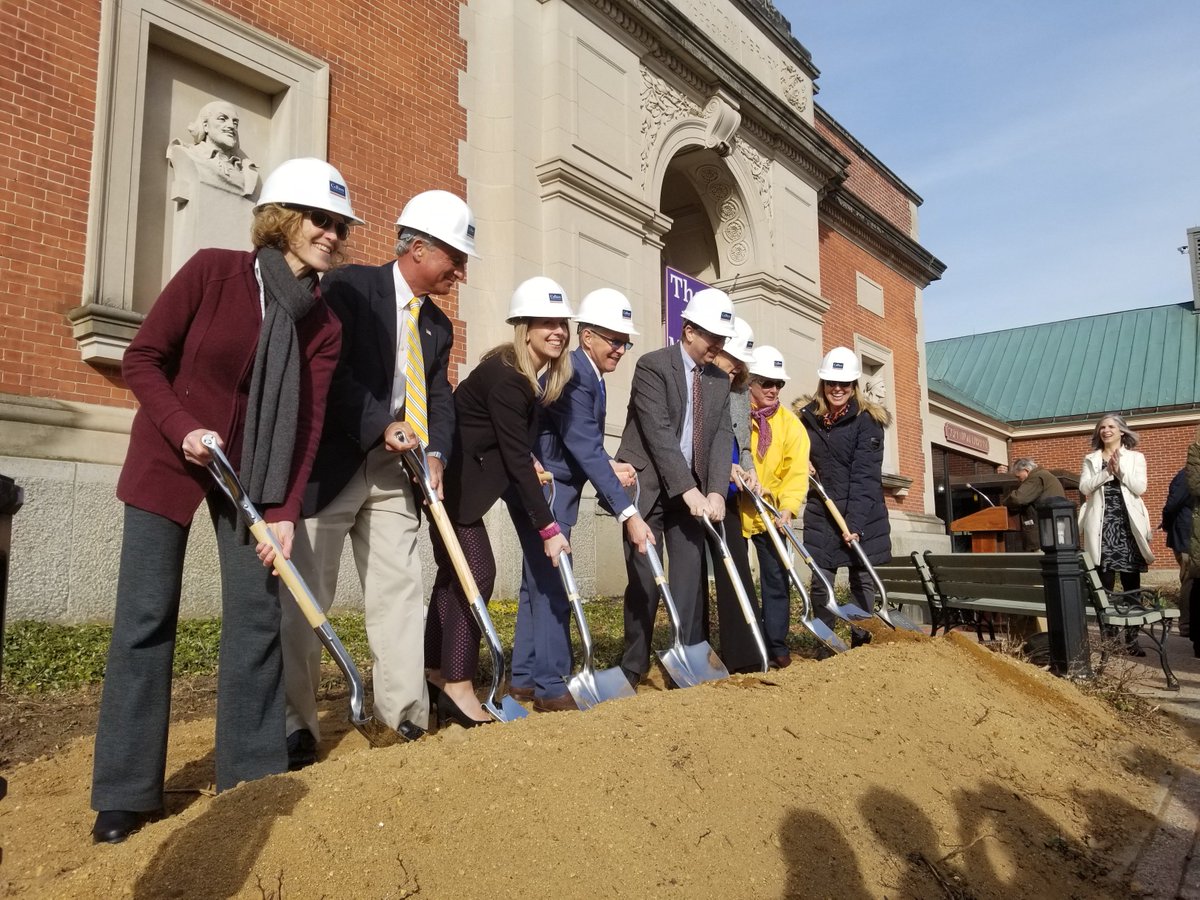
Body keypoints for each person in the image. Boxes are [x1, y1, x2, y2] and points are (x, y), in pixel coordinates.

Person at [89, 157, 353, 843]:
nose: (332, 233)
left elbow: (309, 423)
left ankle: (251, 770)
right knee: (146, 615)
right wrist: (184, 430)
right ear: (283, 220)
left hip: (254, 476)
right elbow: (143, 357)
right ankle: (124, 791)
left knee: (257, 617)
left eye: (339, 225)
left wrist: (287, 509)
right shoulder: (213, 272)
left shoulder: (321, 324)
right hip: (167, 457)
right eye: (320, 220)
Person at [280, 191, 474, 767]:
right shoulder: (348, 289)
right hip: (330, 466)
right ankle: (296, 723)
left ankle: (403, 715)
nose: (460, 272)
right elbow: (327, 374)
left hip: (395, 473)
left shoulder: (436, 325)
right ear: (418, 249)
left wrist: (436, 451)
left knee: (400, 591)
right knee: (307, 596)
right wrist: (379, 424)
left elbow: (439, 395)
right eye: (454, 259)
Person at [425, 277, 573, 725]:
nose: (558, 332)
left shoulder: (518, 373)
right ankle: (458, 683)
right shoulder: (511, 379)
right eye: (547, 323)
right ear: (524, 327)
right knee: (477, 573)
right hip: (451, 482)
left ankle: (433, 670)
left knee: (455, 576)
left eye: (562, 324)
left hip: (460, 481)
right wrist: (549, 529)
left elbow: (504, 439)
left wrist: (526, 455)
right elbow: (511, 456)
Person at [509, 289, 654, 711]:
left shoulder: (589, 374)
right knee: (553, 583)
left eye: (626, 341)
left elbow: (580, 442)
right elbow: (582, 444)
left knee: (536, 582)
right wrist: (627, 511)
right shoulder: (576, 374)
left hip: (553, 487)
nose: (621, 349)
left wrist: (609, 463)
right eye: (614, 339)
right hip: (550, 491)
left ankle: (525, 678)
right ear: (587, 336)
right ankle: (552, 687)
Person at [616, 287, 737, 686]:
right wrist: (690, 490)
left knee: (689, 577)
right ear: (688, 331)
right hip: (648, 486)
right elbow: (659, 434)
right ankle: (633, 664)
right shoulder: (653, 367)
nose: (717, 348)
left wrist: (717, 490)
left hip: (694, 494)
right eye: (711, 339)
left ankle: (685, 661)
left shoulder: (718, 380)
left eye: (722, 340)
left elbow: (721, 435)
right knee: (645, 580)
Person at [795, 347, 890, 644]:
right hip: (822, 512)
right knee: (822, 584)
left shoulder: (867, 421)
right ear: (822, 384)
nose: (837, 389)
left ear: (854, 386)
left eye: (844, 384)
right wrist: (802, 461)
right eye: (831, 383)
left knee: (862, 581)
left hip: (862, 515)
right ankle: (827, 647)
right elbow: (790, 452)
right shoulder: (806, 418)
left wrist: (856, 525)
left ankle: (860, 647)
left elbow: (866, 477)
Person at [741, 345, 809, 668]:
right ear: (750, 381)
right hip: (736, 507)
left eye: (778, 384)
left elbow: (797, 472)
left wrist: (789, 508)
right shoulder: (736, 412)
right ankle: (746, 643)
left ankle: (777, 643)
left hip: (771, 512)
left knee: (776, 580)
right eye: (766, 382)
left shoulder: (791, 426)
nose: (773, 390)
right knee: (738, 580)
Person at [707, 315, 766, 673]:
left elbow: (741, 443)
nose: (735, 376)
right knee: (692, 577)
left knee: (736, 569)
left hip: (730, 492)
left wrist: (749, 472)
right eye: (731, 368)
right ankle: (697, 650)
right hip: (697, 487)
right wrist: (717, 468)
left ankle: (745, 655)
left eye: (740, 370)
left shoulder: (740, 389)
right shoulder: (698, 379)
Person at [1078, 413, 1154, 655]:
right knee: (1105, 583)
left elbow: (1140, 488)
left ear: (1122, 431)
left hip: (1127, 523)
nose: (1106, 430)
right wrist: (1106, 472)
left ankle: (1132, 640)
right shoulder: (1091, 459)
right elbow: (1084, 488)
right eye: (1102, 427)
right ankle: (1109, 640)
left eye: (1111, 426)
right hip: (1102, 524)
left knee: (1132, 583)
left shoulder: (1136, 457)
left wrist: (1120, 471)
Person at [1003, 458, 1066, 551]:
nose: (1019, 480)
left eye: (1018, 476)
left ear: (1026, 470)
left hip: (1042, 536)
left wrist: (1004, 503)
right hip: (1052, 532)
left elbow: (1018, 498)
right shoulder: (1046, 476)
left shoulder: (1036, 477)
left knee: (1038, 563)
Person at [1161, 466, 1192, 638]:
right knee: (1190, 580)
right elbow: (1171, 505)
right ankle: (1187, 626)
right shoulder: (1187, 474)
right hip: (1188, 536)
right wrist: (1167, 525)